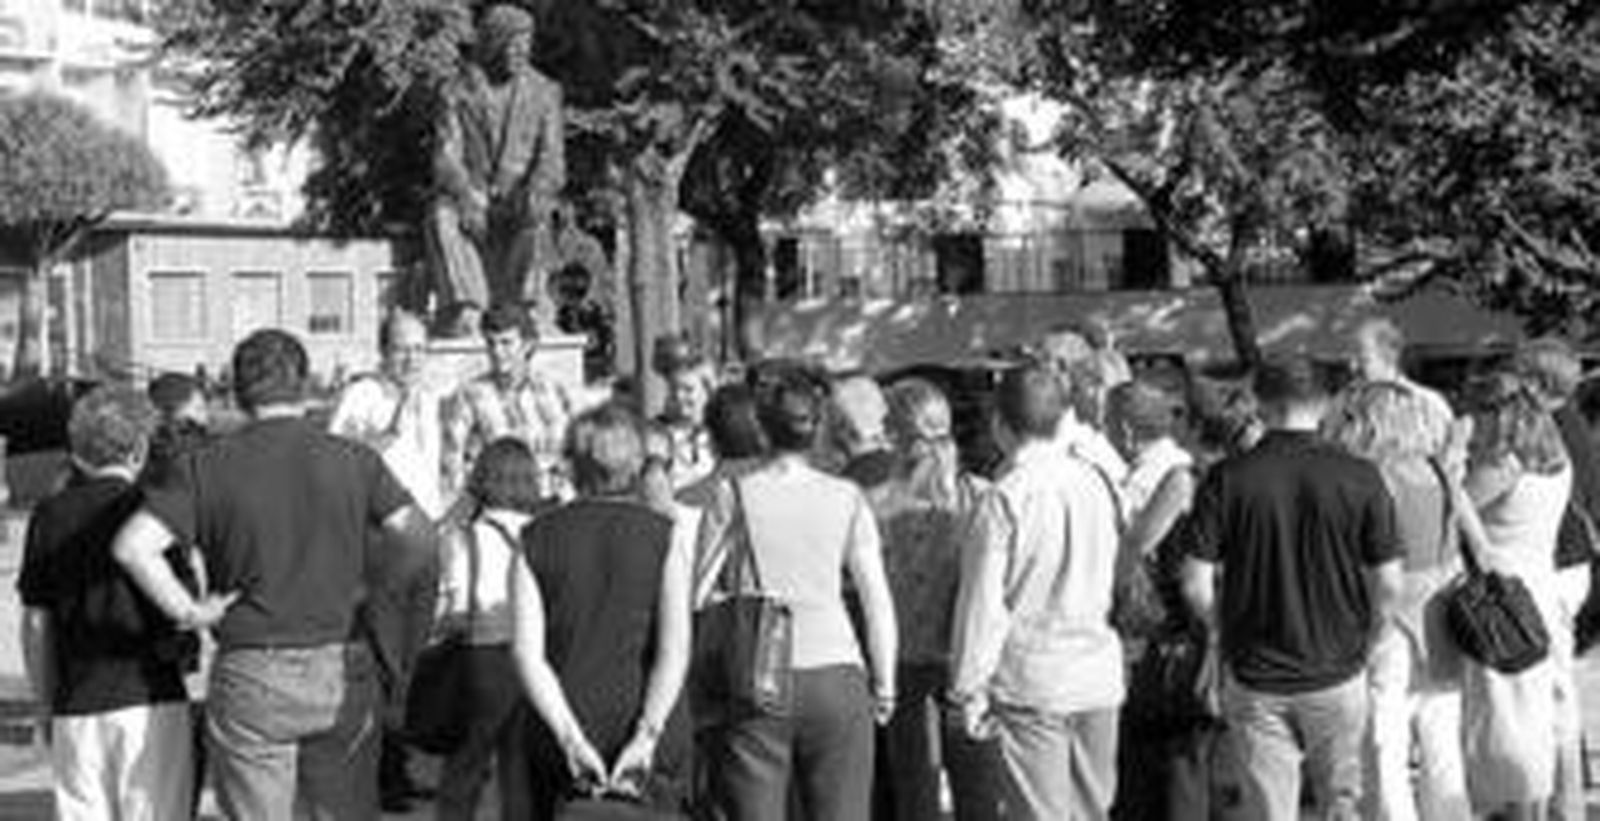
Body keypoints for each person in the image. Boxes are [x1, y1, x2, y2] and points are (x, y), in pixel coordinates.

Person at [111, 328, 438, 821]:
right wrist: (377, 583)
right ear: (305, 385)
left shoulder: (204, 466)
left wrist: (190, 611)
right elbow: (420, 539)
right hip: (340, 659)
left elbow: (133, 547)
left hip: (252, 665)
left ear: (238, 391)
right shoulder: (355, 460)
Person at [1180, 357, 1402, 821]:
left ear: (1258, 405)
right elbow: (1389, 583)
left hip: (1257, 669)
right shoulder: (1361, 475)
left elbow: (1195, 582)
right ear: (1325, 405)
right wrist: (1374, 639)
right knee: (1342, 805)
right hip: (1339, 665)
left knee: (1267, 809)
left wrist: (1223, 630)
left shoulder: (1227, 478)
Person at [695, 370, 898, 821]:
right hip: (838, 671)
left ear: (762, 429)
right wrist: (884, 684)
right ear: (818, 427)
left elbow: (698, 590)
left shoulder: (734, 495)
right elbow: (876, 600)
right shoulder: (847, 496)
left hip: (760, 673)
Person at [949, 364, 1125, 820]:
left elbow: (984, 604)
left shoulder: (1006, 496)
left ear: (999, 423)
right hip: (1096, 670)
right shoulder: (1096, 481)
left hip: (1033, 676)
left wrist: (968, 686)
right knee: (1092, 810)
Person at [18, 386, 200, 820]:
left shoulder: (49, 514)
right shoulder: (154, 510)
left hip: (78, 701)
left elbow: (36, 623)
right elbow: (185, 607)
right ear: (140, 447)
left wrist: (46, 703)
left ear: (79, 449)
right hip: (152, 696)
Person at [512, 404, 693, 818]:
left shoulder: (534, 538)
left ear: (573, 466)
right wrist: (647, 735)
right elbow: (674, 650)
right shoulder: (662, 537)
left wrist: (570, 739)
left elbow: (527, 654)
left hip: (562, 719)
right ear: (634, 465)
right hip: (648, 715)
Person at [1322, 381, 1471, 820]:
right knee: (1441, 740)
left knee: (1383, 742)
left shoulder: (1372, 477)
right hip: (1439, 612)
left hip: (1387, 613)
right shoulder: (1435, 470)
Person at [327, 309, 448, 811]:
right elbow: (332, 458)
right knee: (384, 660)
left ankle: (399, 764)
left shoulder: (431, 398)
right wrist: (377, 438)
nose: (411, 358)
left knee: (415, 660)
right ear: (383, 350)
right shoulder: (362, 395)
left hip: (427, 539)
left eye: (420, 349)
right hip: (381, 545)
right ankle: (381, 774)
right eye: (402, 348)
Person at [874, 378, 1003, 821]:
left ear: (896, 435)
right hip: (971, 660)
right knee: (980, 795)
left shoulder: (876, 505)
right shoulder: (983, 497)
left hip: (904, 662)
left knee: (916, 797)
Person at [1459, 372, 1573, 820]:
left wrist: (1451, 467)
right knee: (1534, 709)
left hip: (1502, 599)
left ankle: (1510, 810)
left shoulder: (1505, 464)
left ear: (1496, 414)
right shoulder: (1557, 458)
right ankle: (1535, 807)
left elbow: (1458, 504)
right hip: (1539, 588)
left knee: (1502, 711)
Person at [427, 3, 566, 332]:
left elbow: (552, 159)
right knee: (441, 214)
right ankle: (468, 309)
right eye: (512, 43)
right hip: (474, 198)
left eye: (526, 44)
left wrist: (536, 191)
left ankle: (526, 307)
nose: (521, 51)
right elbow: (446, 156)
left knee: (539, 213)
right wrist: (464, 196)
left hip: (520, 199)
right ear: (492, 42)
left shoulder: (545, 92)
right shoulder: (456, 90)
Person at [435, 438, 544, 820]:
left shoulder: (463, 536)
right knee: (520, 772)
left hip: (481, 656)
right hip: (532, 658)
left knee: (465, 767)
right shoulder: (543, 530)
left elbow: (454, 604)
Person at [443, 302, 575, 506]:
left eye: (506, 343)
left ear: (527, 345)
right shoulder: (470, 395)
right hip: (497, 507)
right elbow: (453, 461)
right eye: (491, 343)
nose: (497, 351)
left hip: (551, 504)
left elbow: (571, 453)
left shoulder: (553, 391)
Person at [1351, 317, 1454, 454]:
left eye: (1364, 360)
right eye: (1352, 359)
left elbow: (1450, 464)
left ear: (1389, 357)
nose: (1353, 367)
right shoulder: (1344, 409)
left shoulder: (1428, 407)